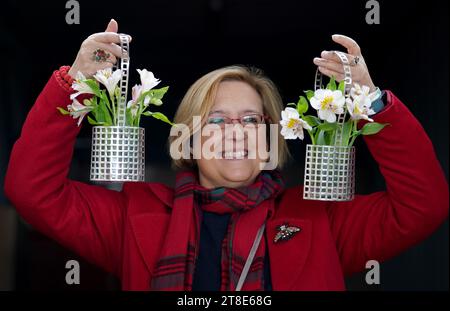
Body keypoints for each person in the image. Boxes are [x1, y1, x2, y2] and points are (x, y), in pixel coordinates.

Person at [4, 19, 448, 291]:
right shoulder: (134, 218)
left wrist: (369, 101)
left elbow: (423, 205)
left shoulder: (321, 221)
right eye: (216, 120)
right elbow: (32, 192)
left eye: (252, 121)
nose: (236, 133)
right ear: (190, 140)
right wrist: (76, 84)